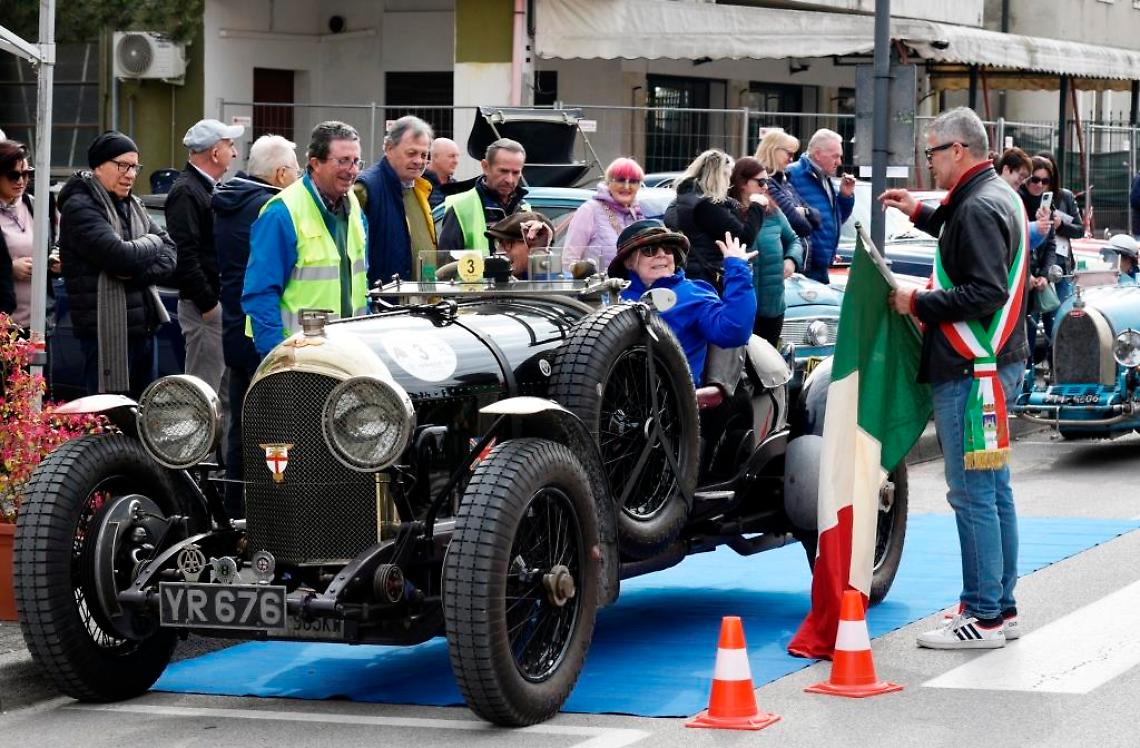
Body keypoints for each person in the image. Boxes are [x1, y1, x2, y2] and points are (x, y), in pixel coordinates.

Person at [881, 107, 1028, 650]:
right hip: (992, 364)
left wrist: (917, 301)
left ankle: (984, 615)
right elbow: (963, 231)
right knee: (993, 490)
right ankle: (1000, 606)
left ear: (957, 150)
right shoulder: (994, 194)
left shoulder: (977, 207)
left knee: (972, 494)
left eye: (932, 153)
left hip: (972, 369)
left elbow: (984, 290)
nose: (930, 163)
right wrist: (920, 211)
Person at [212, 134, 301, 517]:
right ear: (280, 174)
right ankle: (272, 515)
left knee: (241, 428)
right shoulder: (273, 210)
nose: (299, 178)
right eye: (296, 170)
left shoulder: (228, 202)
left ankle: (234, 510)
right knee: (276, 433)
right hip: (264, 332)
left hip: (236, 327)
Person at [58, 131, 177, 399]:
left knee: (142, 412)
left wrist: (134, 273)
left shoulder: (133, 204)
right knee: (109, 414)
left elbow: (170, 253)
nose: (130, 174)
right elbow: (120, 256)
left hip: (144, 328)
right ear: (99, 166)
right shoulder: (80, 207)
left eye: (135, 167)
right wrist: (153, 241)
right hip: (105, 335)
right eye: (123, 165)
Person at [243, 121, 368, 359]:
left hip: (349, 353)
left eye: (356, 161)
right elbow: (261, 293)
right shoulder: (282, 213)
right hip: (298, 357)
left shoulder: (353, 206)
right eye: (343, 161)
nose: (352, 170)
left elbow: (360, 282)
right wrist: (276, 358)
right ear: (315, 163)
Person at [608, 219, 756, 384]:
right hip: (614, 393)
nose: (662, 254)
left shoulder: (694, 294)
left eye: (668, 249)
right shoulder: (612, 298)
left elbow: (733, 332)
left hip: (675, 395)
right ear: (629, 262)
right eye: (649, 250)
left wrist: (737, 270)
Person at [167, 118, 244, 401]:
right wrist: (209, 305)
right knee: (204, 397)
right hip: (204, 309)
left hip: (212, 306)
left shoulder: (203, 188)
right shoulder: (187, 192)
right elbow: (185, 255)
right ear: (214, 152)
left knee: (222, 397)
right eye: (230, 145)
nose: (234, 153)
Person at [664, 149, 764, 290]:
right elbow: (743, 238)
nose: (729, 183)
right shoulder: (706, 206)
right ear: (720, 176)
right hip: (706, 276)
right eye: (728, 176)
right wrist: (757, 206)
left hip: (690, 272)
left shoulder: (683, 199)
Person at [729, 157, 802, 348]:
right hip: (742, 306)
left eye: (767, 181)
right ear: (742, 183)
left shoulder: (773, 212)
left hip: (773, 306)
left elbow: (794, 240)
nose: (765, 187)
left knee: (769, 359)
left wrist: (791, 259)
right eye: (760, 182)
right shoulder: (728, 213)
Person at [354, 115, 436, 286]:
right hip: (383, 298)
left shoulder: (420, 189)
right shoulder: (366, 190)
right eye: (411, 153)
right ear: (389, 148)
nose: (419, 161)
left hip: (421, 296)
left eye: (424, 154)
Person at [787, 128, 855, 284]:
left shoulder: (824, 177)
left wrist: (845, 196)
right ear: (817, 154)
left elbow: (835, 221)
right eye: (835, 156)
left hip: (820, 266)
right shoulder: (792, 174)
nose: (839, 162)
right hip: (802, 267)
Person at [438, 138, 530, 251]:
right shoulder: (460, 207)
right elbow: (446, 258)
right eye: (503, 171)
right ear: (485, 167)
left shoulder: (524, 208)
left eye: (516, 172)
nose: (509, 180)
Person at [563, 157, 645, 269]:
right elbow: (569, 260)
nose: (626, 186)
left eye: (633, 181)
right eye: (620, 180)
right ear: (608, 182)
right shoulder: (589, 210)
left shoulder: (639, 214)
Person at [755, 130, 819, 264]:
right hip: (780, 262)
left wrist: (804, 211)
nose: (791, 159)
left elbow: (817, 217)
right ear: (773, 150)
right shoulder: (766, 184)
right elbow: (799, 225)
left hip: (792, 261)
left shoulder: (784, 182)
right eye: (789, 154)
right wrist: (804, 213)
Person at [1019, 156, 1059, 359]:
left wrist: (1044, 275)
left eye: (1045, 181)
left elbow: (1051, 244)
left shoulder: (1047, 206)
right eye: (1035, 179)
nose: (1039, 185)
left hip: (1039, 277)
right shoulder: (1016, 201)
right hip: (1020, 276)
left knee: (1044, 327)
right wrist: (1026, 275)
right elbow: (1013, 244)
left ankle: (1042, 367)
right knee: (1023, 334)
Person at [485, 211, 555, 278]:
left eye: (508, 243)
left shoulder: (557, 282)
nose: (498, 251)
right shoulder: (496, 281)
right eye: (498, 243)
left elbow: (545, 283)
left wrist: (540, 256)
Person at [424, 137, 461, 209]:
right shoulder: (418, 184)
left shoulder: (456, 188)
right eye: (451, 156)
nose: (456, 161)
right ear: (435, 157)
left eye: (457, 156)